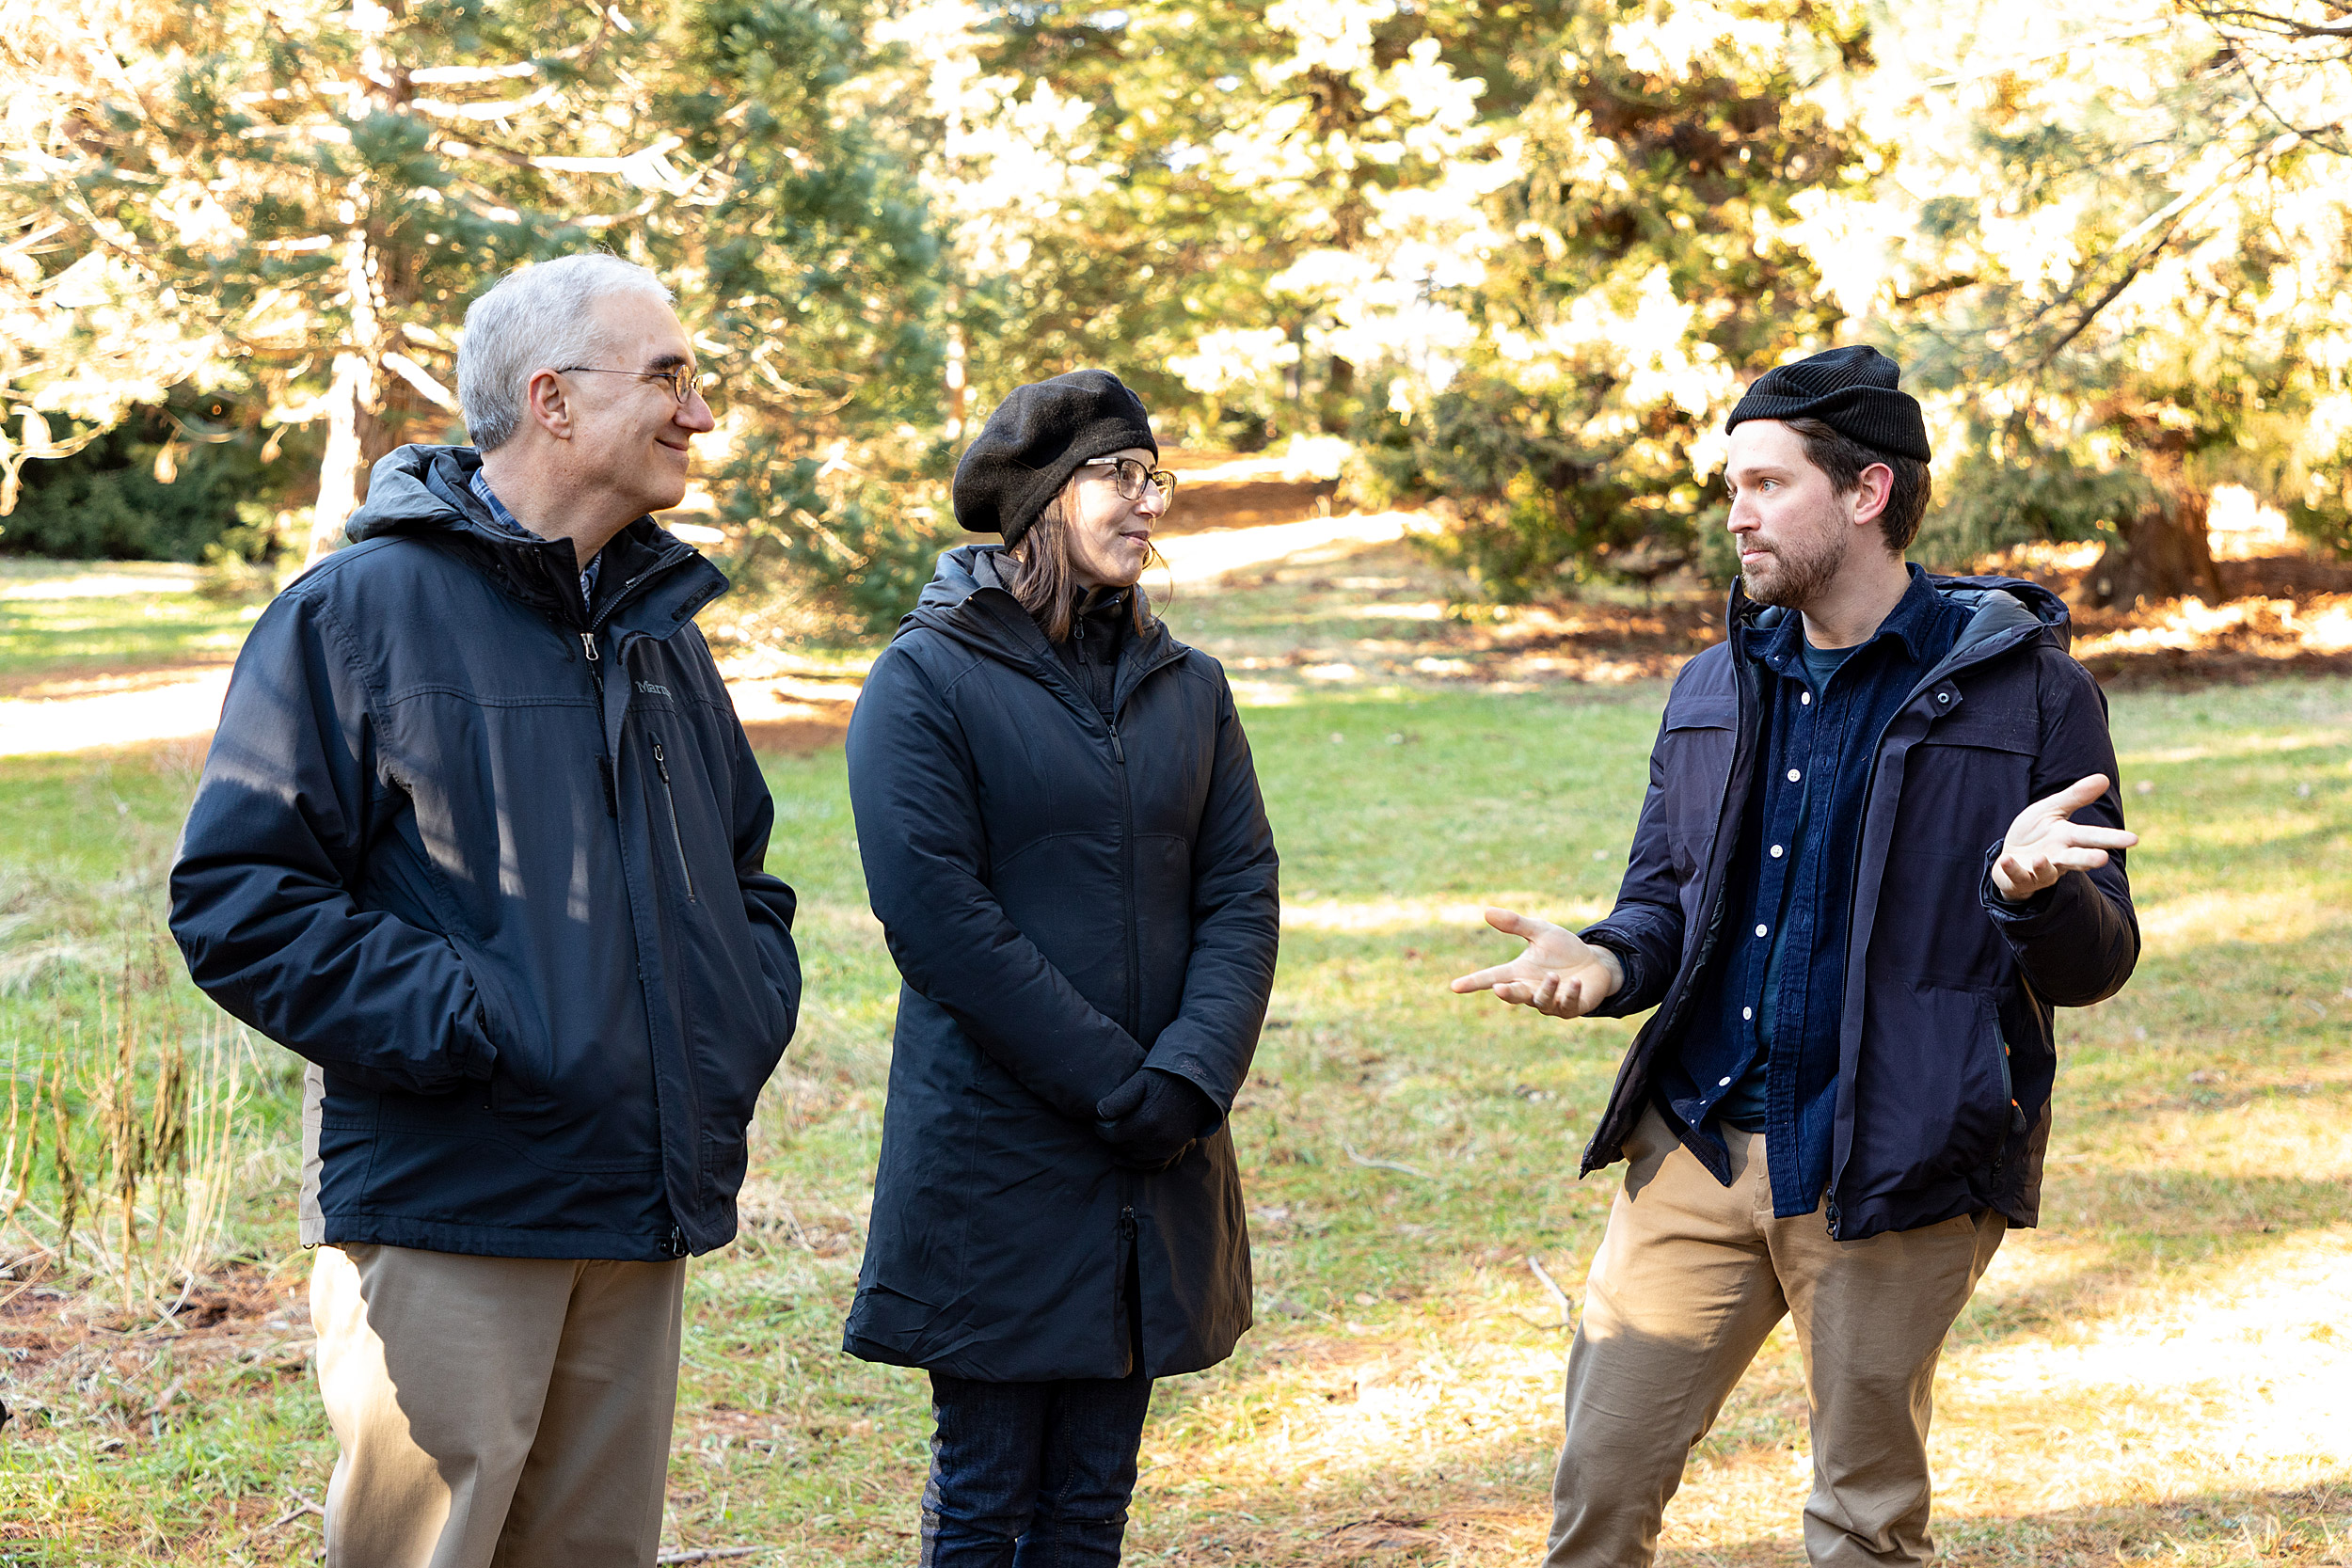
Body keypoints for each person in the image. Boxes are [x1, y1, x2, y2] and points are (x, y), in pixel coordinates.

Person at [1451, 345, 2140, 1568]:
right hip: (1701, 1141)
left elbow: (2097, 962)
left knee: (1863, 1518)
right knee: (1598, 1491)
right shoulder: (1714, 683)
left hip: (1894, 1160)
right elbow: (1665, 899)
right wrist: (1607, 962)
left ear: (1867, 492)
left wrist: (2028, 891)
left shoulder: (2028, 693)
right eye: (1732, 487)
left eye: (1767, 483)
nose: (1738, 515)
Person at [168, 253, 802, 1568]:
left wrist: (732, 1009)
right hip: (454, 1201)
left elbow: (745, 871)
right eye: (671, 378)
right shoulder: (357, 613)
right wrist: (493, 1024)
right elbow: (240, 899)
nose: (699, 413)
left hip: (637, 1206)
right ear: (552, 398)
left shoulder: (660, 629)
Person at [841, 368, 1280, 1566]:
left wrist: (1189, 1076)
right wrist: (1118, 1083)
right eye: (1117, 476)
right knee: (986, 1495)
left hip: (1159, 1146)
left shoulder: (1187, 685)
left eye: (1153, 477)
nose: (1146, 504)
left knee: (1094, 1497)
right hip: (1000, 1154)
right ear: (1042, 500)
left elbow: (1241, 889)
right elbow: (936, 919)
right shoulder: (924, 681)